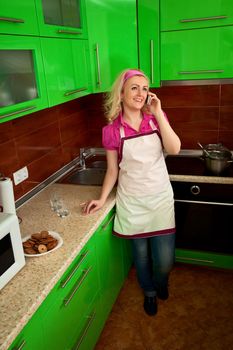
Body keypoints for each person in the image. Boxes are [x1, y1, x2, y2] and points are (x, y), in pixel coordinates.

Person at [81, 68, 181, 316]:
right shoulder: (112, 131)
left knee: (165, 260)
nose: (140, 93)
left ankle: (161, 282)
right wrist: (102, 199)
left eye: (145, 88)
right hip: (132, 203)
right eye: (134, 87)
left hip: (160, 200)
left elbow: (175, 149)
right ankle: (149, 292)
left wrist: (158, 112)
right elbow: (113, 171)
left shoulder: (156, 118)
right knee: (142, 257)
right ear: (122, 93)